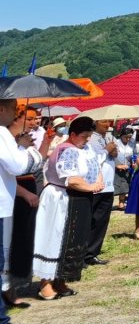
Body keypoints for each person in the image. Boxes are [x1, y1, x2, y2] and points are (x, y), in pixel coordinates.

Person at [33, 116, 102, 301]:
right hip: (60, 198)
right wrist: (91, 187)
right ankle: (45, 283)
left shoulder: (85, 149)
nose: (87, 139)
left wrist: (98, 182)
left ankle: (60, 279)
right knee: (54, 238)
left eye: (89, 136)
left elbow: (97, 168)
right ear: (73, 134)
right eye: (84, 136)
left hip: (77, 199)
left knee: (70, 240)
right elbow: (71, 179)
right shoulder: (66, 150)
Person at [0, 99, 41, 316]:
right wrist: (25, 148)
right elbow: (17, 166)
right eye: (15, 110)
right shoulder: (2, 133)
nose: (16, 113)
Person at [84, 118, 117, 266]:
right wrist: (107, 149)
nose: (107, 125)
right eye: (104, 122)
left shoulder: (108, 137)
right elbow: (93, 160)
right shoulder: (90, 140)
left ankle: (92, 253)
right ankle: (82, 253)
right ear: (96, 123)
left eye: (109, 122)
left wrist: (114, 150)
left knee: (101, 221)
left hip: (108, 185)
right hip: (94, 185)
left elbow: (115, 157)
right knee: (89, 220)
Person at [112, 128, 134, 207]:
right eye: (126, 137)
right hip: (116, 167)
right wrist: (117, 165)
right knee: (115, 185)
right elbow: (111, 155)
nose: (128, 139)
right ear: (121, 136)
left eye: (129, 137)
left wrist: (133, 162)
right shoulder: (116, 142)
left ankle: (121, 203)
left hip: (127, 167)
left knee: (125, 185)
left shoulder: (132, 144)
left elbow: (134, 154)